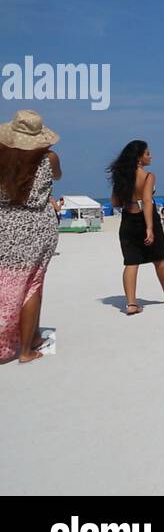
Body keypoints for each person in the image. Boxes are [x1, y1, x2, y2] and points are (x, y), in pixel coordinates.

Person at [0, 111, 62, 363]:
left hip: (5, 224)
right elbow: (57, 176)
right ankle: (26, 349)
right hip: (38, 224)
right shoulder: (49, 158)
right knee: (33, 284)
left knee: (6, 280)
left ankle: (30, 336)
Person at [107, 140, 164, 316]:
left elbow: (115, 202)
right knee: (159, 258)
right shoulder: (148, 176)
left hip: (127, 219)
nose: (151, 156)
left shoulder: (121, 176)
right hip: (146, 218)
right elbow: (147, 201)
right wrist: (149, 228)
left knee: (131, 262)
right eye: (147, 153)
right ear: (139, 158)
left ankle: (131, 304)